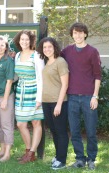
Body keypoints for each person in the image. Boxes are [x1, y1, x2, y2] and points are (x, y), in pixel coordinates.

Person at [61, 22, 102, 170]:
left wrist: (95, 96)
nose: (77, 35)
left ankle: (91, 159)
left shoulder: (92, 52)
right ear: (72, 34)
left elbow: (98, 76)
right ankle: (79, 159)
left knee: (91, 131)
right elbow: (52, 58)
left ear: (85, 34)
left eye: (80, 32)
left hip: (88, 97)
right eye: (75, 33)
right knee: (75, 130)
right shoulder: (66, 51)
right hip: (71, 97)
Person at [37, 37, 69, 170]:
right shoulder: (46, 62)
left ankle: (62, 160)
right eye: (44, 47)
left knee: (61, 132)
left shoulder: (60, 62)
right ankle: (58, 156)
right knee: (54, 131)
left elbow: (65, 84)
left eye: (49, 47)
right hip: (46, 102)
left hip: (57, 102)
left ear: (54, 47)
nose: (47, 49)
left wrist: (59, 104)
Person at [13, 30, 44, 164]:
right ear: (18, 41)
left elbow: (41, 78)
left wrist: (39, 98)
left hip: (34, 91)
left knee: (36, 122)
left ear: (31, 41)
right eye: (22, 39)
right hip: (21, 92)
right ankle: (28, 150)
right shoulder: (17, 55)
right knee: (20, 124)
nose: (24, 42)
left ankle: (31, 153)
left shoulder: (36, 55)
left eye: (27, 39)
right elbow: (16, 76)